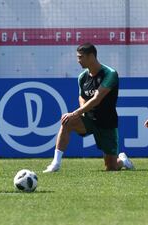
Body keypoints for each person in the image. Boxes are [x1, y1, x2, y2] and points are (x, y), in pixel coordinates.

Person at [43, 43, 134, 173]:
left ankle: (122, 161)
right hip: (89, 120)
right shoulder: (82, 77)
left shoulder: (110, 74)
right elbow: (82, 96)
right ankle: (55, 164)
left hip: (107, 123)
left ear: (91, 56)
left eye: (81, 57)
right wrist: (81, 112)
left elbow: (97, 99)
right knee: (66, 122)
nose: (78, 60)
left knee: (111, 167)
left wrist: (76, 112)